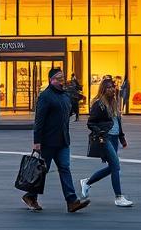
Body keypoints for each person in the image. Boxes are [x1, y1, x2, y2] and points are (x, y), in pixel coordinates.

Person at [23, 66, 90, 213]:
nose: (61, 81)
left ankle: (72, 201)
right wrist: (37, 141)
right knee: (41, 171)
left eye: (62, 78)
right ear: (51, 80)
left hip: (63, 141)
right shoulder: (45, 96)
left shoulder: (65, 95)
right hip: (48, 141)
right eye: (58, 78)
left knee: (65, 168)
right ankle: (30, 196)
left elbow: (67, 114)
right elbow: (39, 120)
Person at [80, 76, 133, 207]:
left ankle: (87, 182)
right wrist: (101, 133)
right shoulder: (99, 104)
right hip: (106, 138)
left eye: (113, 87)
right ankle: (119, 197)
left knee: (112, 167)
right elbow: (91, 123)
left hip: (114, 137)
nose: (112, 89)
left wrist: (122, 137)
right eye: (109, 87)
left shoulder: (114, 102)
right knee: (116, 165)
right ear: (103, 89)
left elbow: (117, 122)